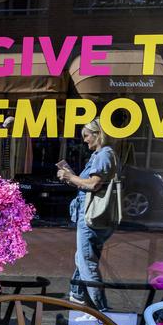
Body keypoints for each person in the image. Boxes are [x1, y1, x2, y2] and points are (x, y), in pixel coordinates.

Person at [57, 119, 118, 311]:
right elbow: (89, 182)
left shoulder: (104, 154)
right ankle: (77, 294)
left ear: (97, 134)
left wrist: (69, 177)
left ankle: (102, 310)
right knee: (83, 257)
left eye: (86, 135)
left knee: (86, 262)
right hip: (92, 214)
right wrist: (72, 177)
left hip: (91, 215)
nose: (84, 140)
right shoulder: (101, 155)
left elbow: (93, 184)